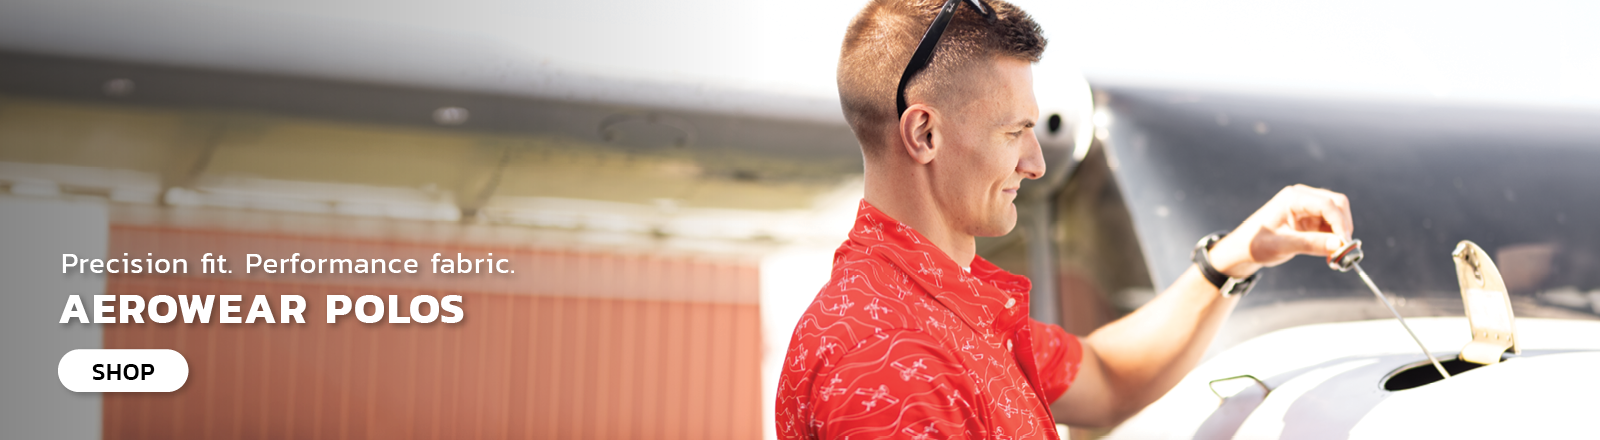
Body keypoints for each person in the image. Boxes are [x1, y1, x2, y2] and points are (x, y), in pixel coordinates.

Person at [774, 0, 1357, 438]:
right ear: (924, 133)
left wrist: (1237, 254)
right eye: (1014, 132)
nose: (1034, 163)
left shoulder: (940, 305)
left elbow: (1105, 378)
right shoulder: (890, 361)